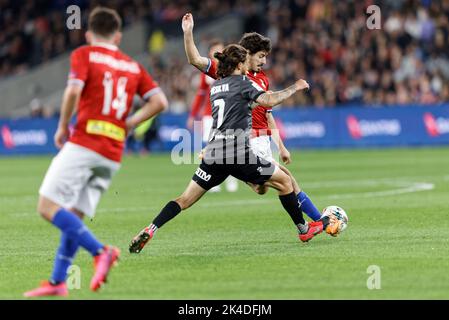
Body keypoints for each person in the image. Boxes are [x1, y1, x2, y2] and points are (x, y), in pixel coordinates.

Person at [129, 44, 337, 254]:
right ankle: (304, 229)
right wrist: (296, 87)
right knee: (284, 181)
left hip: (214, 154)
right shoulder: (244, 84)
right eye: (246, 61)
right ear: (239, 64)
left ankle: (151, 228)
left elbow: (237, 106)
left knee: (183, 200)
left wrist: (187, 32)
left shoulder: (217, 85)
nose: (250, 64)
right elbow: (269, 100)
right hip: (239, 154)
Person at [24, 7, 168, 297]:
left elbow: (73, 91)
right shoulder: (132, 65)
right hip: (113, 152)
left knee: (47, 206)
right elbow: (159, 102)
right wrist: (129, 123)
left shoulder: (84, 54)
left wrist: (62, 126)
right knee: (73, 216)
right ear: (117, 36)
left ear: (89, 34)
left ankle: (101, 251)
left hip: (86, 141)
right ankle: (57, 283)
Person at [182, 12, 324, 222]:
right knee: (288, 180)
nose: (265, 61)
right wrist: (188, 32)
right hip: (245, 140)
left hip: (260, 139)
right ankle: (320, 221)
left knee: (262, 189)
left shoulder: (263, 80)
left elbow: (268, 114)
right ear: (247, 54)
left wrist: (281, 146)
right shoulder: (228, 71)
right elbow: (195, 60)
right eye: (261, 56)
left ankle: (228, 167)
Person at [187, 39, 239, 193]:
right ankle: (212, 181)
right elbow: (200, 94)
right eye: (215, 50)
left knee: (229, 147)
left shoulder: (231, 70)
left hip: (228, 115)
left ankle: (231, 179)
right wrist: (193, 115)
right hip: (209, 116)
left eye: (221, 50)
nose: (218, 53)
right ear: (210, 53)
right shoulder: (207, 73)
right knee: (211, 148)